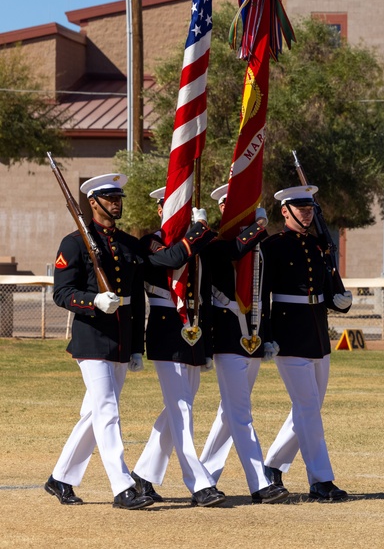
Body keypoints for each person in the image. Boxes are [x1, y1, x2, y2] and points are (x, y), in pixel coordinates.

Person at [47, 173, 203, 510]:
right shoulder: (75, 243)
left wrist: (135, 347)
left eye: (119, 198)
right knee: (107, 411)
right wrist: (92, 301)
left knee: (94, 413)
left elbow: (158, 271)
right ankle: (122, 486)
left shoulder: (129, 244)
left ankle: (60, 477)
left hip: (120, 339)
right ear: (93, 203)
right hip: (92, 337)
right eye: (109, 198)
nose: (116, 203)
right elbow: (61, 292)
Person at [131, 188, 225, 506]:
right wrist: (197, 231)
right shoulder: (150, 241)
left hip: (194, 331)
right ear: (162, 211)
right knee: (181, 408)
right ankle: (198, 483)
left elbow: (206, 294)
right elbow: (172, 258)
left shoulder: (199, 244)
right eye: (170, 208)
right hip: (166, 330)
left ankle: (144, 475)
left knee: (178, 408)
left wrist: (208, 346)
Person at [261, 185, 353, 502]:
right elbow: (263, 296)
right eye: (300, 208)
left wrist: (340, 301)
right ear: (285, 211)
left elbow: (326, 290)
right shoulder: (273, 247)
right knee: (308, 409)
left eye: (310, 207)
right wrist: (267, 335)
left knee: (308, 407)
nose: (307, 213)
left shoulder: (318, 246)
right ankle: (320, 480)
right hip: (289, 334)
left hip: (317, 333)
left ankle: (272, 465)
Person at [198, 184, 289, 504]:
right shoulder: (212, 241)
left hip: (254, 335)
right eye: (227, 207)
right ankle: (259, 483)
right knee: (241, 412)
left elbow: (267, 293)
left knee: (230, 411)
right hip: (225, 335)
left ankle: (204, 477)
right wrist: (255, 229)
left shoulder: (259, 245)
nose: (231, 212)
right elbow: (230, 252)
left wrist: (269, 335)